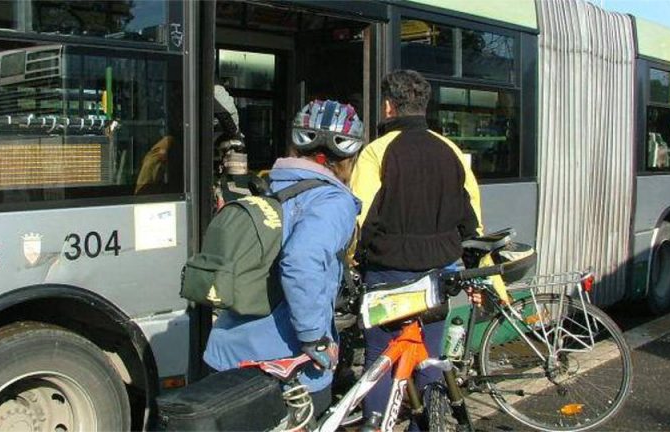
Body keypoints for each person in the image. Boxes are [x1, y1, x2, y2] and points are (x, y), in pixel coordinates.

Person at [204, 99, 364, 417]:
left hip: (229, 351)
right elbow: (301, 261)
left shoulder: (272, 187)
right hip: (283, 368)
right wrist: (315, 339)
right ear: (349, 157)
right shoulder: (333, 201)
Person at [349, 70, 481, 429]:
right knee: (429, 357)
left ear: (389, 106)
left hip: (389, 271)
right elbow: (471, 215)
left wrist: (351, 262)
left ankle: (375, 425)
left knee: (380, 357)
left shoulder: (376, 151)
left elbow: (359, 220)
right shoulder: (450, 149)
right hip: (441, 271)